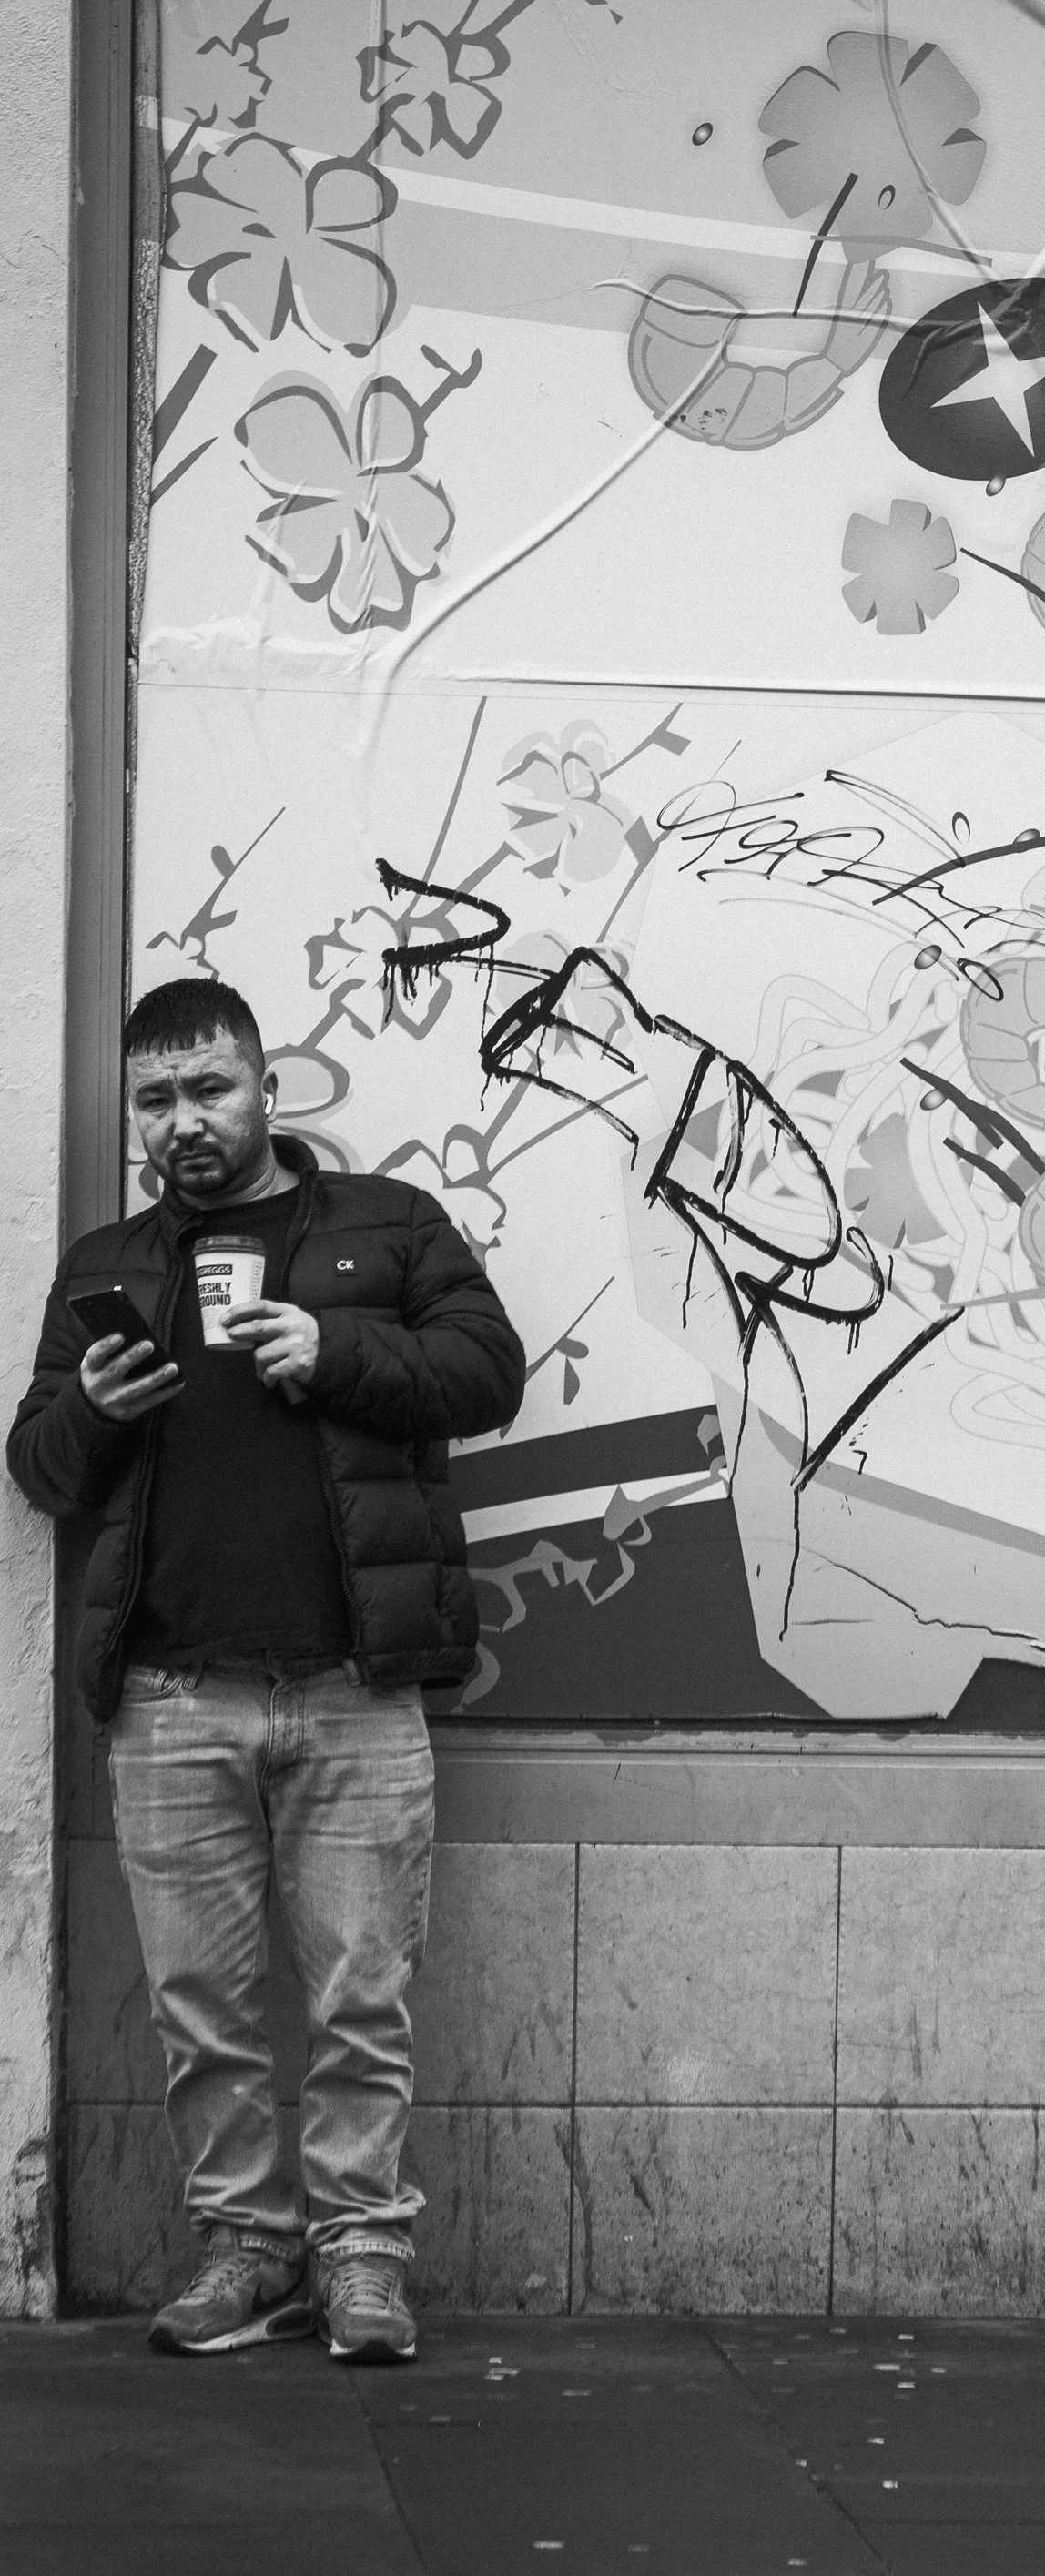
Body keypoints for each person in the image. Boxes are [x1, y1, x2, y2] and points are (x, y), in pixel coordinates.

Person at [8, 977, 524, 2362]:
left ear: (267, 1087)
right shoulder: (108, 1264)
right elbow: (40, 1469)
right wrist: (90, 1413)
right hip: (174, 1698)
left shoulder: (384, 1225)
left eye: (209, 1089)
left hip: (358, 1685)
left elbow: (488, 1372)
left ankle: (362, 2255)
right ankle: (247, 2249)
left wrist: (333, 1347)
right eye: (158, 1099)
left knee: (362, 1993)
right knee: (206, 2012)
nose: (184, 1121)